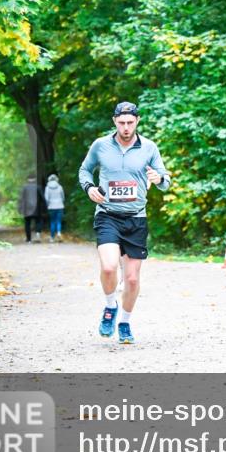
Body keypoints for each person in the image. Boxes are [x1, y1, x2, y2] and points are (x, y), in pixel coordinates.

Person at [78, 101, 170, 344]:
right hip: (107, 214)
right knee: (109, 267)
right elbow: (84, 171)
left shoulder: (149, 147)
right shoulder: (101, 145)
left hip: (136, 218)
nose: (126, 127)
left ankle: (125, 322)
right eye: (121, 123)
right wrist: (89, 188)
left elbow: (165, 180)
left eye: (130, 122)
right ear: (114, 121)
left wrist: (158, 177)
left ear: (137, 121)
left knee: (131, 279)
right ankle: (110, 307)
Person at [17, 174, 44, 243]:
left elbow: (21, 199)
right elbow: (42, 198)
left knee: (27, 224)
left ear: (27, 180)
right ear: (35, 179)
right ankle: (38, 233)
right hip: (37, 208)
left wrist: (20, 208)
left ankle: (28, 239)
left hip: (27, 209)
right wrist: (45, 207)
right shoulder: (38, 187)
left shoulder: (24, 188)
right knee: (38, 221)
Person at [44, 174, 66, 242]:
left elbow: (46, 198)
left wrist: (48, 205)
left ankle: (52, 238)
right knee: (59, 221)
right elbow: (63, 197)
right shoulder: (60, 187)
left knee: (52, 222)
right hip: (60, 206)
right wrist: (61, 202)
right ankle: (59, 233)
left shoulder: (47, 188)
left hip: (51, 207)